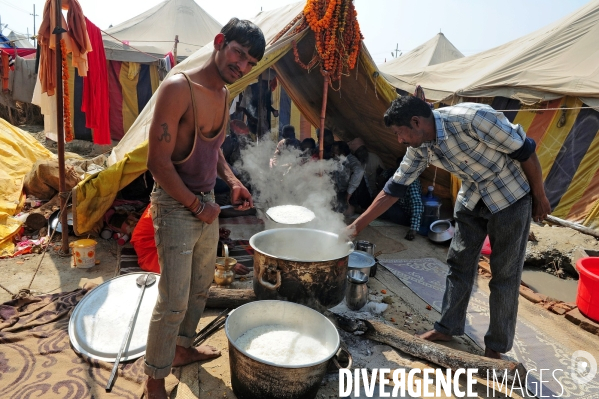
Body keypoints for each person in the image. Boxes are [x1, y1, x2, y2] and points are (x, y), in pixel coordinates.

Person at [347, 96, 550, 359]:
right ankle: (448, 327)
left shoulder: (473, 119)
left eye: (399, 133)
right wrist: (356, 226)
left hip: (509, 197)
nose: (399, 140)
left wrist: (540, 196)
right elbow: (394, 189)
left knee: (505, 276)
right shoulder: (420, 147)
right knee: (458, 264)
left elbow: (526, 150)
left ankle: (495, 348)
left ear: (416, 122)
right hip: (472, 197)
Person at [144, 18, 265, 398]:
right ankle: (154, 379)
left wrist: (232, 182)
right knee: (173, 298)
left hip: (205, 203)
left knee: (199, 289)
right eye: (238, 54)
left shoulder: (226, 94)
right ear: (219, 42)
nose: (241, 66)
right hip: (176, 203)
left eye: (249, 63)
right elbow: (157, 162)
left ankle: (181, 349)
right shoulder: (179, 88)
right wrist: (197, 206)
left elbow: (213, 152)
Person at [331, 140, 364, 215]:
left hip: (352, 193)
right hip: (340, 191)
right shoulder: (336, 160)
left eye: (335, 151)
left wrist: (349, 193)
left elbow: (360, 171)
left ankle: (356, 208)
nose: (332, 153)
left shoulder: (351, 161)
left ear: (342, 152)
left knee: (345, 212)